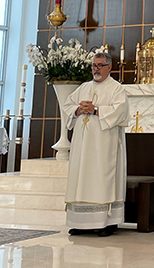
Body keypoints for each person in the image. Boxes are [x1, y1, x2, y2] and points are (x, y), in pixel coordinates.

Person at [64, 52, 130, 236]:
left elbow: (121, 112)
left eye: (100, 65)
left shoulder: (116, 88)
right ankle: (79, 221)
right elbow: (67, 105)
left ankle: (106, 222)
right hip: (82, 144)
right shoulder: (83, 88)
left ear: (109, 67)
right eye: (94, 65)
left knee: (102, 176)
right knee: (81, 176)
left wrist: (97, 110)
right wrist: (78, 109)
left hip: (104, 144)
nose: (96, 69)